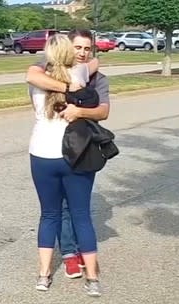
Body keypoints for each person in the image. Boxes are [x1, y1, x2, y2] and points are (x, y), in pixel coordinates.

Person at [27, 30, 110, 285]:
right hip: (72, 153)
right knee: (81, 214)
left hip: (41, 154)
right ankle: (93, 278)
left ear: (48, 54)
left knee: (48, 215)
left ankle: (43, 275)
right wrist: (73, 82)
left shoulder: (38, 78)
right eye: (77, 49)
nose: (83, 54)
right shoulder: (80, 74)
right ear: (69, 52)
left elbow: (32, 73)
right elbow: (94, 63)